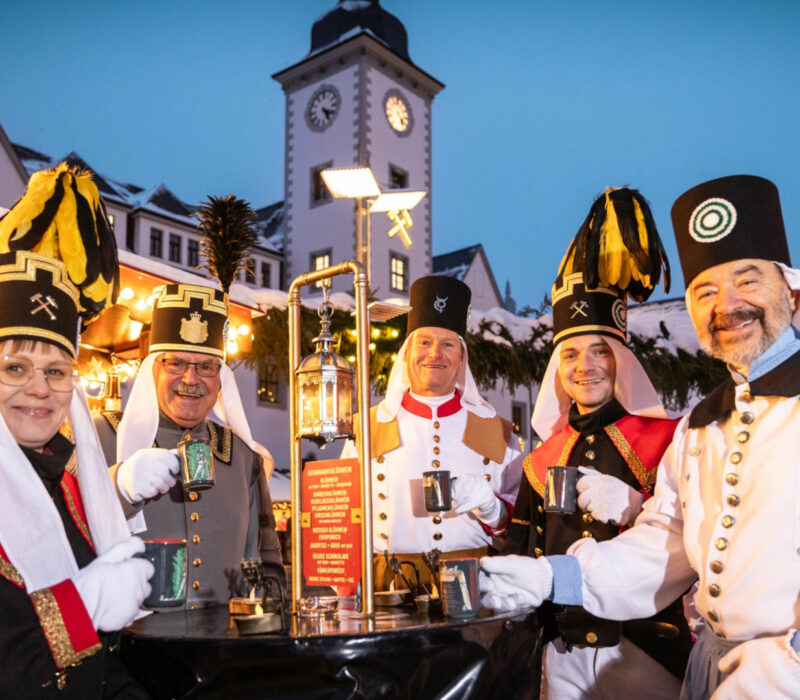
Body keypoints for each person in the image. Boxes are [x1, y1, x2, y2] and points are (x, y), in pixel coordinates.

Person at [481, 174, 800, 699]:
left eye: (748, 280)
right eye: (705, 291)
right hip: (706, 670)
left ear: (790, 288)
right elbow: (664, 543)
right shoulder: (700, 426)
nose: (727, 304)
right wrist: (552, 579)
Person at [0, 209, 152, 695]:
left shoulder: (71, 483)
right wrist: (76, 607)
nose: (39, 389)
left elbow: (102, 664)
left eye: (57, 371)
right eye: (17, 368)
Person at [94, 283, 284, 609]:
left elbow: (268, 566)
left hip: (221, 652)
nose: (191, 379)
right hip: (129, 653)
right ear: (153, 368)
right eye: (176, 363)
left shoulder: (242, 458)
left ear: (221, 378)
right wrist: (117, 485)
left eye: (206, 367)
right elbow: (60, 540)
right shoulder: (101, 439)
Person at [344, 275, 523, 591]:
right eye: (424, 342)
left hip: (476, 587)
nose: (435, 353)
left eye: (448, 344)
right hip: (388, 589)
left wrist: (492, 508)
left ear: (462, 357)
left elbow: (520, 527)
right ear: (407, 352)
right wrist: (347, 595)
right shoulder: (365, 427)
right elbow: (341, 520)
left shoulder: (498, 430)